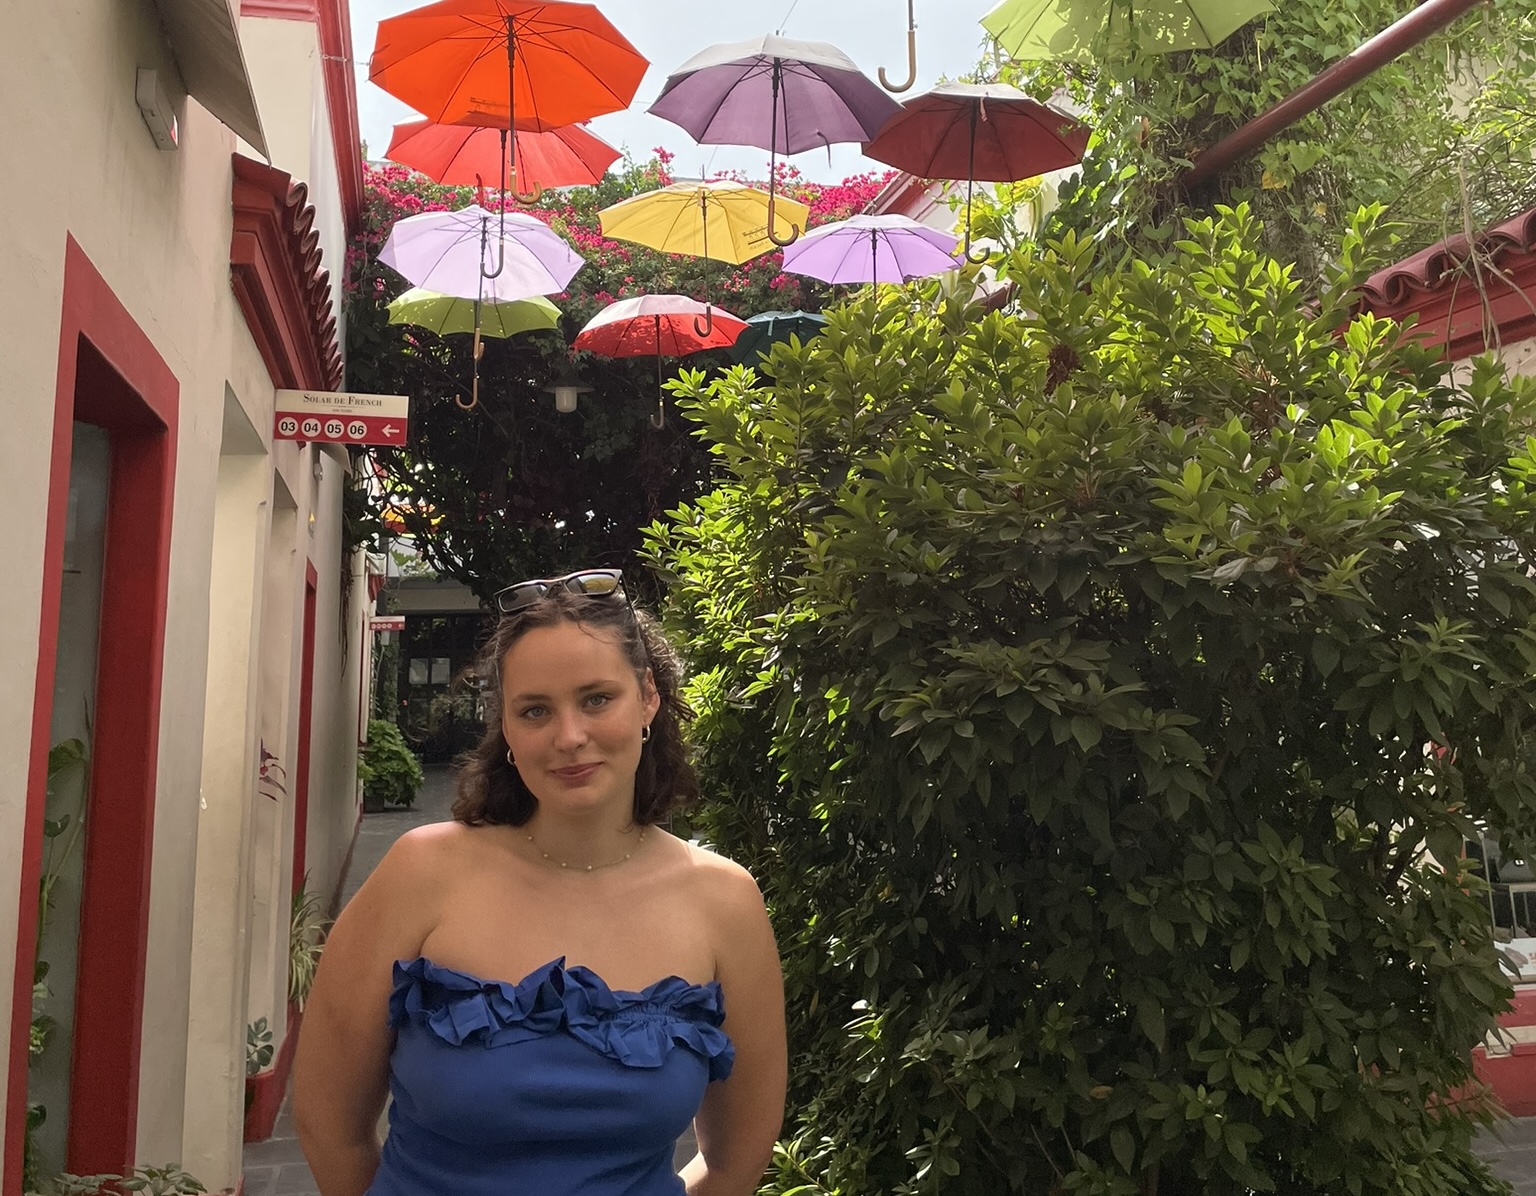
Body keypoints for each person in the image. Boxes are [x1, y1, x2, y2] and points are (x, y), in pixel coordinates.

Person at [292, 568, 787, 1196]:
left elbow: (736, 1159)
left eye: (596, 699)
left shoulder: (724, 901)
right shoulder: (421, 875)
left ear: (648, 698)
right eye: (535, 710)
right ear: (507, 727)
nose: (569, 737)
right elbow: (330, 1127)